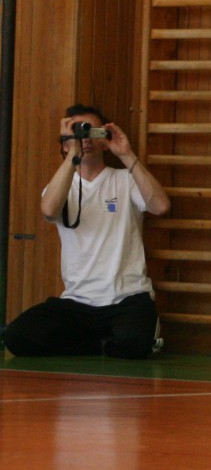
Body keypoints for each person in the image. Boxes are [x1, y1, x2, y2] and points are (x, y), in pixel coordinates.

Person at [3, 104, 171, 360]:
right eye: (79, 132)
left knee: (134, 344)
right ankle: (99, 345)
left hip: (127, 297)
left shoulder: (125, 180)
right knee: (17, 337)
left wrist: (126, 154)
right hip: (77, 301)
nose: (86, 138)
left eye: (92, 131)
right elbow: (48, 210)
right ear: (64, 143)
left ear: (104, 140)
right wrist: (73, 153)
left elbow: (161, 206)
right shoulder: (61, 186)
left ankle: (114, 341)